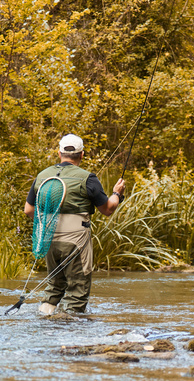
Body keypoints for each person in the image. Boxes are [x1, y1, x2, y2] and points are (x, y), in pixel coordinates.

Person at [24, 134, 125, 314]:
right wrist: (117, 193)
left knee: (54, 287)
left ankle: (44, 323)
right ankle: (70, 332)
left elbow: (28, 210)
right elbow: (108, 209)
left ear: (59, 153)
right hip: (76, 241)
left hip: (48, 240)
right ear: (82, 154)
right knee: (77, 292)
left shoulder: (42, 176)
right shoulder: (88, 178)